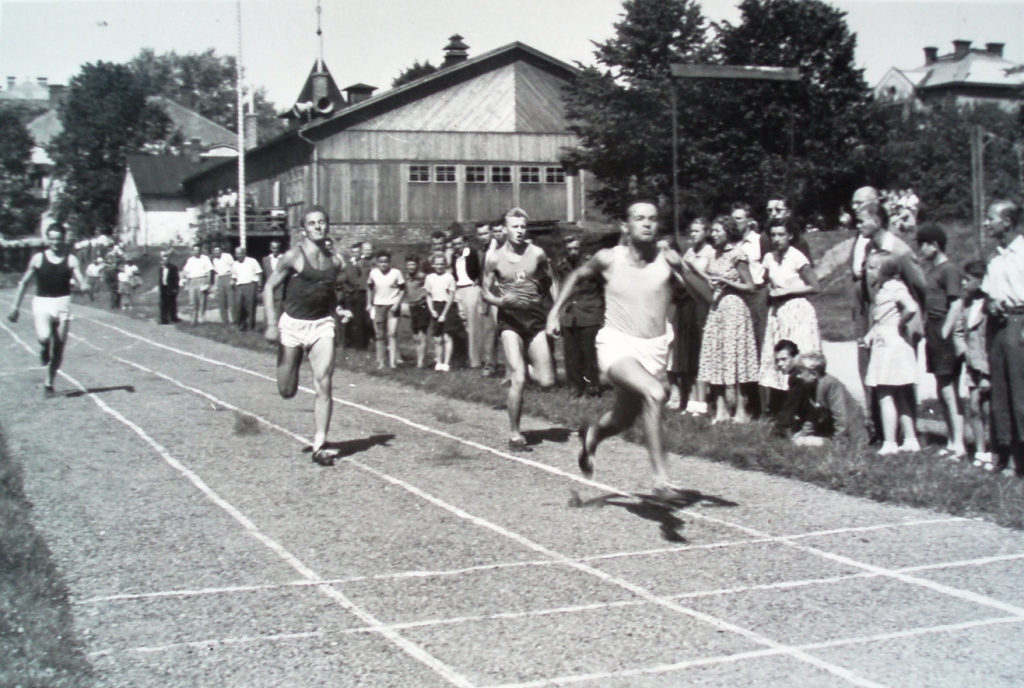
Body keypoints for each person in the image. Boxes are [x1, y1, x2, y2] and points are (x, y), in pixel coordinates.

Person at [547, 200, 699, 495]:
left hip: (654, 349)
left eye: (652, 219)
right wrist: (555, 312)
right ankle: (661, 479)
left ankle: (592, 436)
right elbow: (577, 275)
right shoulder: (608, 258)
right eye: (639, 218)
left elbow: (706, 297)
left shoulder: (667, 260)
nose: (646, 224)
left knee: (623, 419)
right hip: (616, 345)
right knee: (655, 395)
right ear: (626, 226)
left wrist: (686, 270)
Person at [263, 206, 351, 466]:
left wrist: (338, 309)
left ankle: (320, 444)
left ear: (327, 226)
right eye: (312, 224)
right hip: (292, 326)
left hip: (321, 325)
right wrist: (270, 323)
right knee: (286, 390)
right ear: (303, 229)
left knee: (324, 381)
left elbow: (328, 290)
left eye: (322, 223)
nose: (318, 227)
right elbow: (269, 288)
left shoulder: (336, 261)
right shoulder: (293, 257)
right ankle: (289, 361)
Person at [483, 208, 558, 451]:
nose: (520, 231)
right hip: (510, 321)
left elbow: (552, 281)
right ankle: (515, 435)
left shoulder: (537, 253)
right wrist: (498, 301)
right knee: (519, 378)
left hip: (534, 319)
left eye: (523, 227)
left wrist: (555, 313)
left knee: (547, 381)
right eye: (515, 227)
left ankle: (521, 366)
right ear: (505, 229)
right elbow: (484, 291)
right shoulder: (494, 258)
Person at [7, 223, 86, 396]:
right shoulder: (38, 259)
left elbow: (80, 278)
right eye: (52, 238)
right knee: (44, 337)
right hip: (43, 303)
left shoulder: (71, 259)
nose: (56, 242)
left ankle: (49, 383)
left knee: (58, 347)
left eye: (59, 238)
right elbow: (24, 283)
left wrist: (84, 285)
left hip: (63, 304)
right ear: (48, 239)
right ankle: (43, 348)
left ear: (64, 239)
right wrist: (15, 308)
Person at [697, 215, 759, 424]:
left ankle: (741, 411)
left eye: (717, 231)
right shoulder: (714, 254)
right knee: (717, 357)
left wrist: (726, 281)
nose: (713, 235)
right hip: (717, 309)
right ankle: (721, 409)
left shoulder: (738, 255)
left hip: (735, 308)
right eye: (712, 231)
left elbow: (750, 287)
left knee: (736, 357)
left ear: (728, 232)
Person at [758, 219, 822, 417]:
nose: (777, 239)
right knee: (779, 358)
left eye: (781, 235)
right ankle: (782, 409)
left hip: (798, 311)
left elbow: (815, 287)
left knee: (800, 359)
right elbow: (763, 280)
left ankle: (807, 410)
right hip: (778, 313)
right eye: (774, 235)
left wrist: (787, 291)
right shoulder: (769, 257)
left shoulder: (797, 257)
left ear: (790, 236)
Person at [861, 251, 922, 455]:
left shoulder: (895, 288)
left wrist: (901, 323)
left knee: (885, 394)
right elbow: (881, 321)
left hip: (891, 346)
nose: (867, 271)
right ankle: (911, 439)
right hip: (887, 341)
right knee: (900, 394)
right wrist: (869, 337)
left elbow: (911, 308)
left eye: (872, 268)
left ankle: (890, 442)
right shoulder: (884, 289)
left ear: (885, 270)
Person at [981, 200, 1024, 475]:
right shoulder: (995, 258)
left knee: (1020, 392)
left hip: (1019, 326)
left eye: (991, 218)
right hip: (998, 326)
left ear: (1007, 222)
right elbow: (988, 294)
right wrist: (991, 304)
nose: (986, 223)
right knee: (1002, 391)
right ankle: (1009, 455)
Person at [916, 223, 965, 458]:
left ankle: (960, 444)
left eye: (922, 245)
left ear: (934, 246)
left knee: (949, 390)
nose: (920, 250)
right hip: (933, 329)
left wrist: (946, 331)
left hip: (942, 329)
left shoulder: (949, 270)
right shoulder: (932, 271)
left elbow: (956, 303)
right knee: (941, 388)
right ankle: (952, 441)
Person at [670, 217, 715, 416]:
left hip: (703, 304)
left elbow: (709, 280)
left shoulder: (711, 252)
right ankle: (688, 398)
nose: (693, 234)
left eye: (697, 231)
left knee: (701, 352)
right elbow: (684, 280)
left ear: (706, 232)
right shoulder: (689, 253)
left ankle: (702, 400)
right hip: (687, 304)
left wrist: (691, 269)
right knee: (688, 352)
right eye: (691, 231)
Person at [950, 261, 992, 468]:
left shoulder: (991, 304)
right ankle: (980, 450)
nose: (963, 283)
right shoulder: (965, 304)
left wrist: (986, 370)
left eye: (968, 280)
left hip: (988, 364)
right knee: (974, 407)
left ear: (981, 281)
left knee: (989, 409)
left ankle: (994, 450)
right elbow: (958, 332)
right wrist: (964, 352)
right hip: (972, 364)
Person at [787, 352, 868, 448]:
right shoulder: (811, 385)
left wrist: (839, 443)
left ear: (814, 374)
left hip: (851, 431)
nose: (798, 376)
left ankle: (840, 444)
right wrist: (804, 432)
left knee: (807, 442)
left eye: (801, 372)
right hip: (835, 429)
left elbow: (841, 417)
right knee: (800, 440)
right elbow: (813, 414)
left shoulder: (830, 384)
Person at [558, 235, 604, 398]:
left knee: (589, 353)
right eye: (569, 249)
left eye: (576, 248)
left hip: (589, 312)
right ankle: (575, 388)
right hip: (570, 314)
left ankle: (592, 388)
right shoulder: (562, 266)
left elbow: (602, 286)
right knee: (571, 354)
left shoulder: (591, 265)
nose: (573, 252)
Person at [451, 232, 486, 369]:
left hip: (471, 289)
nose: (457, 246)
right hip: (458, 290)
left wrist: (478, 282)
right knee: (460, 325)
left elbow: (482, 270)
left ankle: (475, 361)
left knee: (473, 326)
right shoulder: (454, 257)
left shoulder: (473, 254)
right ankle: (461, 358)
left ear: (465, 243)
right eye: (454, 244)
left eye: (459, 243)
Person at [367, 250, 406, 369]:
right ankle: (381, 362)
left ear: (390, 262)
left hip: (392, 306)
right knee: (380, 335)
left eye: (386, 262)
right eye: (381, 262)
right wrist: (369, 303)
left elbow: (403, 289)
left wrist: (396, 304)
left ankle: (393, 362)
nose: (384, 264)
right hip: (379, 305)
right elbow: (369, 287)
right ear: (377, 263)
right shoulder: (373, 273)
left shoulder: (396, 273)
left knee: (392, 334)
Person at [425, 251, 459, 371]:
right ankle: (438, 362)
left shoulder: (449, 277)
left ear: (445, 264)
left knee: (447, 337)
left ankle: (446, 363)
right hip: (435, 306)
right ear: (433, 265)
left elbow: (451, 296)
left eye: (442, 264)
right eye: (437, 264)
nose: (439, 266)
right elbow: (428, 295)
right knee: (437, 338)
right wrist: (432, 310)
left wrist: (444, 314)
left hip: (447, 308)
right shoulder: (429, 278)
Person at [341, 241, 371, 349]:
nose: (355, 254)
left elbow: (362, 278)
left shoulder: (364, 263)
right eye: (353, 252)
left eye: (357, 252)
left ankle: (361, 344)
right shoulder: (348, 263)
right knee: (349, 318)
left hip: (360, 293)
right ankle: (349, 343)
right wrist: (348, 290)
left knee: (361, 320)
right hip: (350, 294)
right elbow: (345, 278)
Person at [403, 255, 430, 368]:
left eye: (413, 264)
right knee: (415, 336)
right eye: (409, 264)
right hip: (412, 307)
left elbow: (430, 287)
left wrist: (424, 296)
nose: (411, 267)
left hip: (422, 306)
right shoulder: (406, 277)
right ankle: (419, 359)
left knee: (421, 335)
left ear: (417, 265)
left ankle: (421, 362)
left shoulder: (422, 277)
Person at [181, 244, 214, 326]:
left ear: (201, 250)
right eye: (195, 250)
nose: (196, 252)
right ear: (192, 251)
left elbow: (209, 271)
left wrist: (208, 283)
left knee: (202, 301)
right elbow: (186, 271)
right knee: (192, 301)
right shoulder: (190, 260)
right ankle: (193, 319)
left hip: (202, 279)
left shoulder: (205, 258)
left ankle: (201, 318)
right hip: (192, 281)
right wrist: (184, 280)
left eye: (198, 250)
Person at [231, 245, 263, 332]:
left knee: (251, 307)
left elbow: (259, 273)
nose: (238, 256)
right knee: (239, 307)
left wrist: (259, 285)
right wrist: (232, 282)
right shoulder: (234, 264)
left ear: (244, 253)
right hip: (239, 286)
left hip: (250, 285)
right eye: (236, 254)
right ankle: (240, 325)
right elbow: (234, 275)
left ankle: (251, 327)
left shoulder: (252, 261)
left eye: (240, 254)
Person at [262, 240, 286, 323]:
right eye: (273, 248)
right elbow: (264, 275)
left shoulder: (284, 259)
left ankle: (279, 329)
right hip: (269, 288)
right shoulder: (265, 259)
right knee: (268, 309)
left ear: (279, 248)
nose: (275, 250)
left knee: (279, 310)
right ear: (270, 248)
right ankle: (267, 328)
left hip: (281, 288)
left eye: (277, 248)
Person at [211, 244, 235, 324]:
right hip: (220, 279)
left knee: (231, 299)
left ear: (221, 250)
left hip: (228, 277)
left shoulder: (227, 256)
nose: (217, 252)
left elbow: (234, 267)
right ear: (213, 252)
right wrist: (215, 285)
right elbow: (216, 273)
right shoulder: (214, 260)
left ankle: (234, 319)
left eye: (218, 250)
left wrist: (233, 278)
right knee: (222, 300)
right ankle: (224, 320)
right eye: (215, 251)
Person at [157, 250, 180, 325]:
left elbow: (176, 279)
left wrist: (175, 288)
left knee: (172, 303)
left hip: (170, 287)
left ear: (168, 260)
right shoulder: (161, 268)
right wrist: (160, 287)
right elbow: (161, 278)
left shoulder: (173, 268)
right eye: (162, 259)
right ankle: (164, 319)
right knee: (163, 303)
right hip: (164, 287)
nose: (164, 261)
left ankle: (173, 317)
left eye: (165, 259)